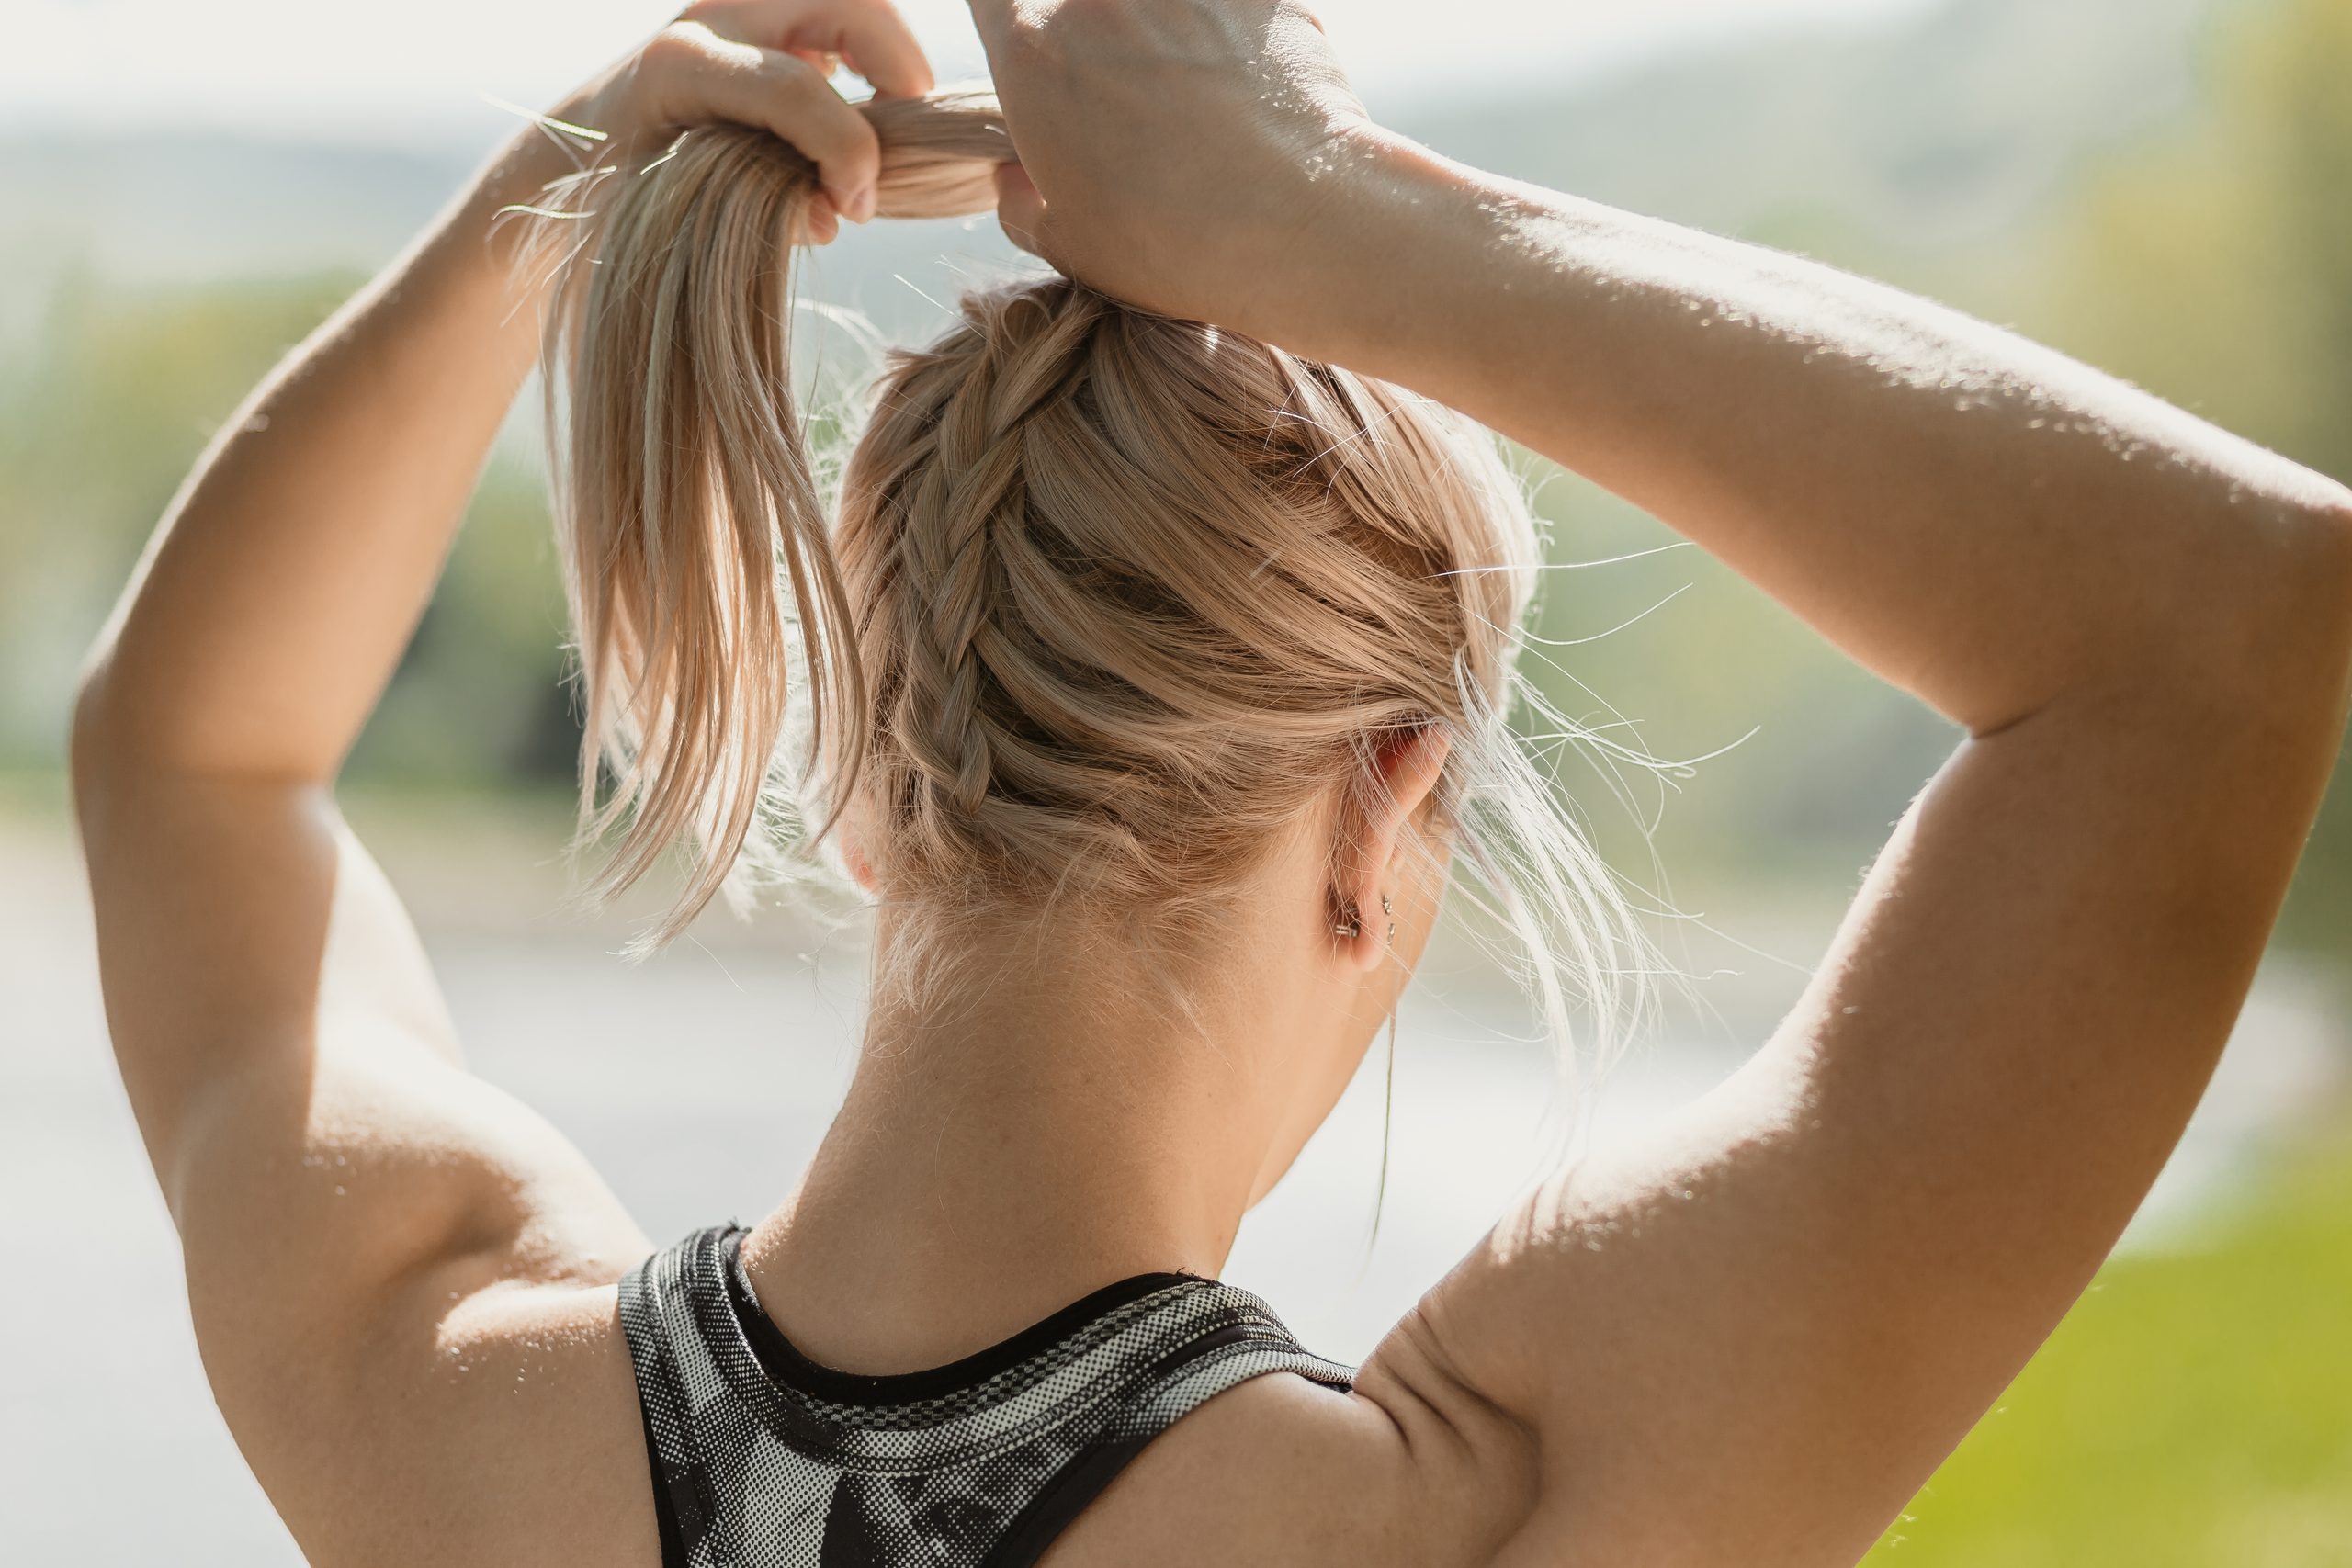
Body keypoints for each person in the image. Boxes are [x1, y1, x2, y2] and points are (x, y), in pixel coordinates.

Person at [68, 1, 2352, 1564]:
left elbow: (191, 753)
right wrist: (1317, 216)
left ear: (856, 767)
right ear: (1383, 815)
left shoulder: (435, 1385)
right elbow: (2213, 628)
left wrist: (555, 200)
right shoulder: (1485, 1509)